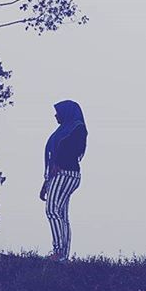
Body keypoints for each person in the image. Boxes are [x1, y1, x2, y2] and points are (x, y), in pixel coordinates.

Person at [39, 100, 88, 262]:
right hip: (60, 175)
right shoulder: (64, 129)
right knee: (62, 214)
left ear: (66, 112)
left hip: (66, 173)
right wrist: (46, 183)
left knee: (52, 210)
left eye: (58, 112)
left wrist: (59, 163)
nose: (55, 115)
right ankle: (63, 255)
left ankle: (59, 251)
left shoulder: (77, 128)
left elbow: (72, 150)